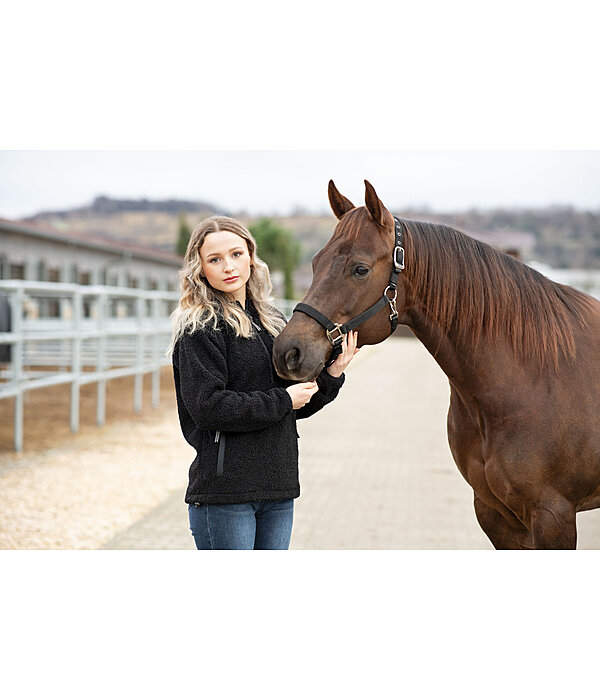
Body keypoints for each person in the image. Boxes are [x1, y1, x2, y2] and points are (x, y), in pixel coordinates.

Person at [168, 215, 358, 550]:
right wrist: (284, 400)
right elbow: (210, 408)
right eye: (215, 259)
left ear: (251, 257)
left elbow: (294, 405)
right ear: (199, 269)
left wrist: (331, 375)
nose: (229, 266)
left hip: (278, 489)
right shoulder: (199, 328)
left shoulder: (272, 323)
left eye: (236, 254)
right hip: (227, 494)